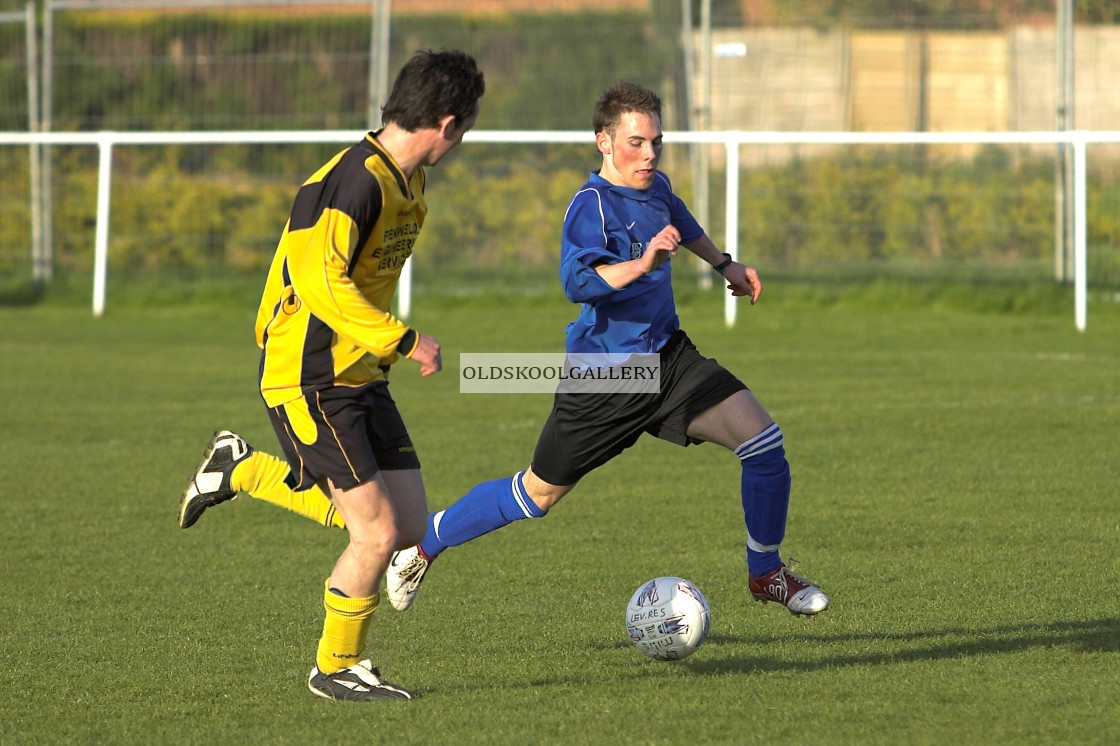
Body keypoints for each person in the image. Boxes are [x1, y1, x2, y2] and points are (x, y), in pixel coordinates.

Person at [383, 81, 829, 618]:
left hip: (668, 360)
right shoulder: (590, 206)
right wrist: (640, 265)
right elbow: (579, 282)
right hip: (604, 380)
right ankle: (424, 545)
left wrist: (724, 264)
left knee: (764, 443)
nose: (649, 154)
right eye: (636, 143)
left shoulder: (657, 186)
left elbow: (680, 222)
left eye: (656, 142)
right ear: (604, 142)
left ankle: (766, 573)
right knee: (535, 496)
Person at [177, 48, 485, 702]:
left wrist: (381, 349)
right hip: (309, 375)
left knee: (404, 527)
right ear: (448, 123)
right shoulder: (352, 181)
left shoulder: (408, 180)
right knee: (372, 534)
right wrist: (401, 338)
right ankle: (336, 667)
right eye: (463, 132)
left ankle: (242, 469)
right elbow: (320, 282)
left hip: (359, 372)